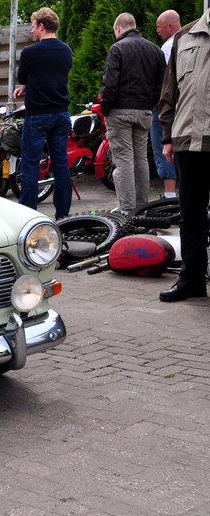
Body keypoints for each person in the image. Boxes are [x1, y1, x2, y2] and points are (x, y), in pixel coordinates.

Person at [157, 8, 210, 302]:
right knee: (190, 214)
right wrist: (167, 137)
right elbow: (170, 93)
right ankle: (191, 280)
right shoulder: (184, 36)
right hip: (188, 140)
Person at [100, 13, 166, 214]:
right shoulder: (155, 49)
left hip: (119, 111)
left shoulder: (117, 48)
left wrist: (105, 108)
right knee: (141, 159)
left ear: (118, 29)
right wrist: (152, 103)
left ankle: (127, 209)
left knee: (124, 159)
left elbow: (110, 83)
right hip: (144, 112)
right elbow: (162, 84)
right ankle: (142, 206)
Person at [11, 7, 73, 219]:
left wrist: (25, 85)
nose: (31, 31)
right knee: (61, 165)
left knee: (30, 165)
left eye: (33, 26)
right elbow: (50, 77)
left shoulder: (30, 52)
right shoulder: (66, 50)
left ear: (42, 26)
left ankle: (27, 215)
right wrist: (28, 87)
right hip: (61, 114)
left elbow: (23, 76)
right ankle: (63, 214)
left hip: (37, 116)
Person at [150, 9, 180, 199]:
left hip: (165, 107)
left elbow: (165, 82)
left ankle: (169, 194)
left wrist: (156, 103)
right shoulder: (187, 42)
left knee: (164, 145)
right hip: (182, 106)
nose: (157, 31)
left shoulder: (169, 47)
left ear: (170, 26)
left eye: (159, 27)